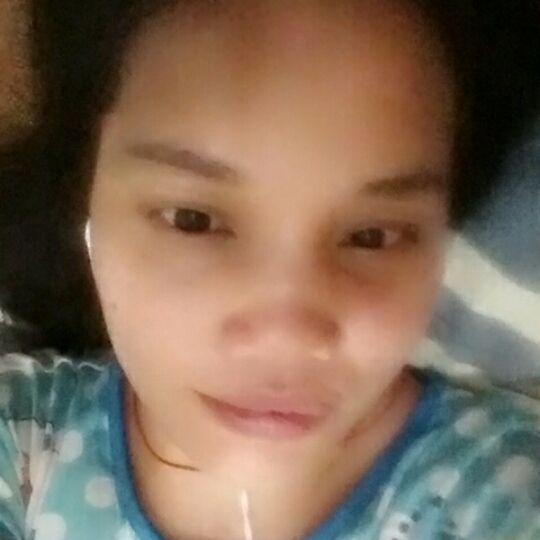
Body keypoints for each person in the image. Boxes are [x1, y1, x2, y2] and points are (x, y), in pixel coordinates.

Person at [0, 1, 538, 539]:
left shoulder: (501, 494)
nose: (287, 337)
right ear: (88, 195)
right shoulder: (22, 446)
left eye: (372, 236)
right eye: (193, 220)